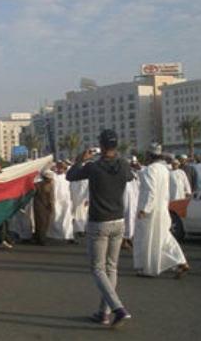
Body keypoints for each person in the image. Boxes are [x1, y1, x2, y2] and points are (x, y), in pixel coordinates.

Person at [66, 129, 133, 327]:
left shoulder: (94, 168)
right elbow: (128, 177)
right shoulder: (123, 165)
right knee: (111, 267)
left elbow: (71, 175)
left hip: (99, 221)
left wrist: (81, 159)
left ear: (101, 146)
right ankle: (103, 313)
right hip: (118, 221)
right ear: (116, 145)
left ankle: (117, 308)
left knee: (97, 268)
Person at [134, 144, 190, 279]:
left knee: (148, 239)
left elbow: (150, 192)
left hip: (151, 212)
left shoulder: (150, 170)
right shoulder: (163, 169)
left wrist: (144, 209)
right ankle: (181, 261)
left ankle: (148, 268)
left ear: (150, 156)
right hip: (162, 209)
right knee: (164, 238)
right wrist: (140, 169)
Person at [46, 162, 74, 242]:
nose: (60, 169)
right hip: (56, 200)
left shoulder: (67, 177)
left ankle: (69, 236)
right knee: (55, 217)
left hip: (66, 200)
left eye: (63, 168)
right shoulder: (54, 176)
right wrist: (51, 165)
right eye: (59, 168)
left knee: (67, 218)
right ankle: (54, 235)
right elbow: (46, 172)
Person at [122, 158, 141, 250]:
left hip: (134, 200)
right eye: (132, 164)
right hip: (126, 199)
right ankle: (124, 240)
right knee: (126, 219)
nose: (134, 165)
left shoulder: (136, 174)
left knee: (133, 219)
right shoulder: (124, 173)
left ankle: (129, 238)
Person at [33, 170, 55, 246]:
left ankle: (39, 238)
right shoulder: (39, 185)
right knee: (42, 223)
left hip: (44, 206)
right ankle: (41, 239)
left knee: (43, 223)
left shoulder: (48, 185)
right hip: (41, 205)